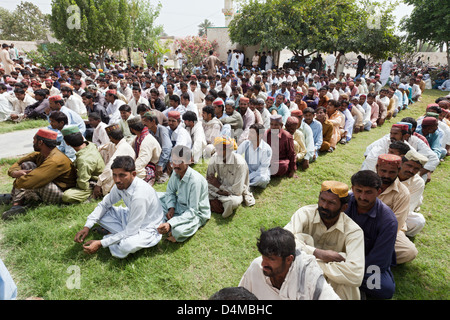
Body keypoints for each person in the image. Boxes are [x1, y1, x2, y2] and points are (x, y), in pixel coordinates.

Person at [284, 181, 365, 300]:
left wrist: (309, 261)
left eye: (331, 203)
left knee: (346, 284)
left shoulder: (353, 231)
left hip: (330, 278)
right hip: (301, 271)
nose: (324, 206)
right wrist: (317, 253)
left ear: (344, 207)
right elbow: (284, 241)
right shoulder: (305, 213)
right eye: (322, 199)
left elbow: (355, 275)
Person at [74, 156, 164, 259]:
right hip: (130, 218)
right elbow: (104, 204)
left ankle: (112, 237)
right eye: (115, 175)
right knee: (101, 214)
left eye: (122, 175)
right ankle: (116, 237)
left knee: (127, 246)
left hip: (147, 228)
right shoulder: (121, 184)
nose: (117, 180)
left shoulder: (140, 195)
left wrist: (101, 243)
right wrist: (87, 227)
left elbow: (131, 231)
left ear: (133, 174)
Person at [238, 227, 340, 300]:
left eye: (271, 259)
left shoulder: (309, 278)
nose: (263, 263)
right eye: (263, 256)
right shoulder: (257, 266)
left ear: (288, 259)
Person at [344, 170, 398, 299]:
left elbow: (379, 261)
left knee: (385, 289)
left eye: (368, 192)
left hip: (366, 263)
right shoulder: (343, 203)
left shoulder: (388, 221)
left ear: (379, 192)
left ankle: (341, 279)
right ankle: (347, 281)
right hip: (341, 254)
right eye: (358, 191)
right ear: (352, 188)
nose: (362, 197)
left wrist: (348, 268)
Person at [2, 129, 77, 220]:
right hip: (52, 185)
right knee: (27, 165)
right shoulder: (42, 153)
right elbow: (18, 163)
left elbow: (29, 181)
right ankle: (18, 199)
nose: (33, 142)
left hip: (61, 193)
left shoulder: (55, 160)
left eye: (34, 140)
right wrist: (14, 172)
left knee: (34, 182)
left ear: (40, 142)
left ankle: (18, 203)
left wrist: (18, 179)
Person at [157, 146, 211, 243]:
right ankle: (170, 222)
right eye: (174, 161)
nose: (176, 165)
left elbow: (193, 211)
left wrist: (170, 223)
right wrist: (171, 208)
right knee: (156, 197)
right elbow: (170, 192)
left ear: (189, 161)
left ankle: (172, 227)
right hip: (180, 205)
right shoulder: (176, 172)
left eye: (180, 162)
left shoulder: (195, 181)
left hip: (196, 213)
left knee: (178, 231)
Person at [375, 154, 417, 265]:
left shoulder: (403, 193)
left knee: (409, 251)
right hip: (360, 226)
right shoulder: (365, 182)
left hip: (388, 232)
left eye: (392, 172)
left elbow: (396, 224)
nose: (386, 176)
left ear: (398, 170)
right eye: (383, 171)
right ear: (376, 168)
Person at [207, 136, 254, 218]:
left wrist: (218, 186)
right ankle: (217, 204)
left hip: (233, 194)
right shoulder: (215, 157)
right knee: (201, 188)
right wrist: (219, 191)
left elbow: (237, 191)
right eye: (217, 149)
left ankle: (214, 204)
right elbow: (209, 180)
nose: (219, 152)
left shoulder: (239, 164)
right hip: (218, 190)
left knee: (233, 202)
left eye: (222, 149)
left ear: (230, 150)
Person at [61, 126, 105, 204]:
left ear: (67, 143)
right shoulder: (90, 145)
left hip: (94, 183)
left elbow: (83, 184)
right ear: (82, 137)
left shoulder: (84, 160)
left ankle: (92, 195)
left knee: (66, 196)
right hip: (96, 176)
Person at [94, 124, 136, 198]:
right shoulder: (114, 144)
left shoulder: (124, 147)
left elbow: (110, 166)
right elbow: (101, 148)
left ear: (110, 137)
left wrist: (98, 184)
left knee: (106, 183)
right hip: (119, 172)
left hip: (124, 174)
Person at [398, 149, 428, 237]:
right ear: (401, 163)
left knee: (418, 221)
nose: (411, 170)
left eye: (416, 169)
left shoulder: (418, 182)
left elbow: (407, 209)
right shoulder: (389, 172)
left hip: (400, 211)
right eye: (409, 165)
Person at [236, 123, 272, 189]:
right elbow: (236, 155)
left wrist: (247, 178)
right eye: (249, 132)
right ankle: (244, 184)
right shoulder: (246, 143)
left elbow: (262, 170)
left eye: (252, 133)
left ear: (260, 135)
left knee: (262, 179)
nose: (249, 135)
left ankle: (245, 185)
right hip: (247, 171)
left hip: (259, 175)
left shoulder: (267, 149)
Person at [128, 117, 161, 186]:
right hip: (144, 164)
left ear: (132, 129)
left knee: (134, 175)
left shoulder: (146, 140)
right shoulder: (138, 137)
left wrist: (130, 171)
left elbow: (142, 161)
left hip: (150, 167)